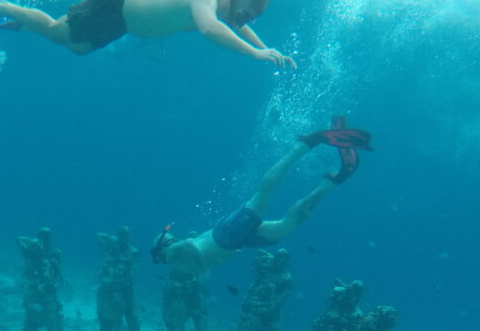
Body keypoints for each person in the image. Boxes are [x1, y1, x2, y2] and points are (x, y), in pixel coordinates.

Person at [150, 117, 372, 276]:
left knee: (262, 195)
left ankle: (304, 144)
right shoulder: (177, 255)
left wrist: (192, 267)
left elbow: (189, 246)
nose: (161, 262)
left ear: (162, 249)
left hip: (227, 235)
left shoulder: (173, 254)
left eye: (158, 257)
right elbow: (192, 246)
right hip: (235, 242)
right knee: (284, 228)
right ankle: (330, 183)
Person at [0, 0, 295, 70]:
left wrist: (265, 47)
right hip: (115, 8)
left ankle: (14, 23)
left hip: (121, 21)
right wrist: (254, 55)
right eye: (241, 14)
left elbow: (232, 25)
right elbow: (210, 29)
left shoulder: (224, 2)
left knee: (77, 48)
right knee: (55, 33)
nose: (240, 21)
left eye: (246, 19)